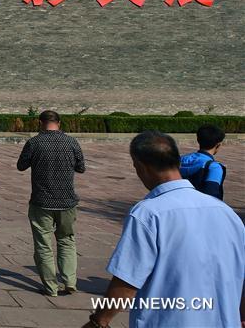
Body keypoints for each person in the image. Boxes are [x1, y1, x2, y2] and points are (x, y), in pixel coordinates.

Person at [84, 131, 244, 328]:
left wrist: (99, 321)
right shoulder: (227, 213)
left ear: (141, 167)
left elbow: (127, 282)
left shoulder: (148, 213)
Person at [17, 110, 85, 297]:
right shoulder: (71, 142)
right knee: (67, 240)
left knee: (43, 245)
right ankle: (70, 281)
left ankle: (51, 287)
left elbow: (21, 165)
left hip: (42, 201)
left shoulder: (34, 143)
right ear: (59, 123)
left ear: (40, 123)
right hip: (67, 200)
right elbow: (81, 168)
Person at [179, 124, 227, 199]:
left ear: (198, 140)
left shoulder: (180, 160)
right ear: (218, 145)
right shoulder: (213, 167)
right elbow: (211, 195)